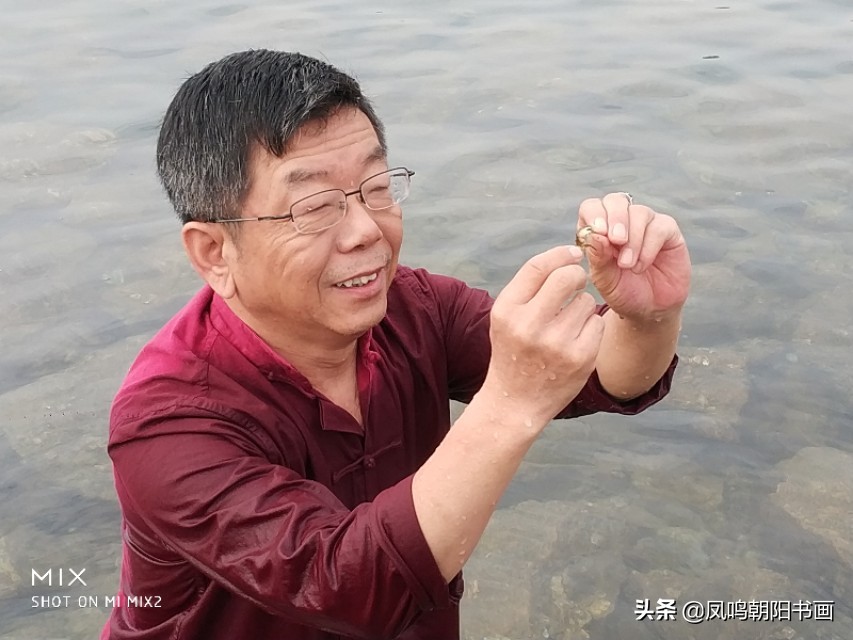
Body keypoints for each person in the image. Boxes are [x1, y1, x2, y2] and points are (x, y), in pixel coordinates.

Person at [101, 49, 691, 640]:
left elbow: (603, 378)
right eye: (315, 207)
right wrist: (511, 403)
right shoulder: (167, 423)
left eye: (376, 188)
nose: (366, 231)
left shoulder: (415, 308)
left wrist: (647, 315)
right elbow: (347, 588)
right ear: (214, 252)